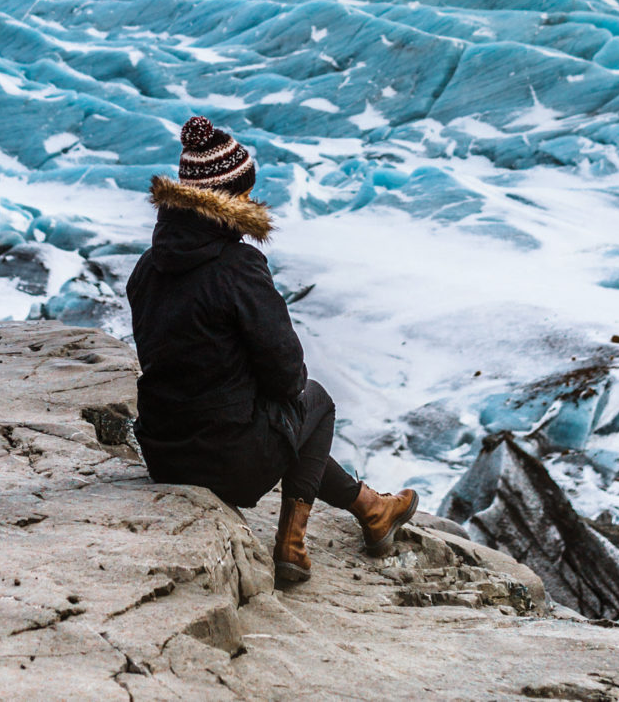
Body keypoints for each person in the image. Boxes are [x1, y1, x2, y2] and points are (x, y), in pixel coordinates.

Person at [126, 114, 418, 582]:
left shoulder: (147, 267)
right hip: (225, 463)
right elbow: (287, 374)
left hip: (164, 453)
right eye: (244, 193)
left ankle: (371, 508)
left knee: (283, 421)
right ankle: (292, 545)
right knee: (314, 402)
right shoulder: (238, 267)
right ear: (230, 200)